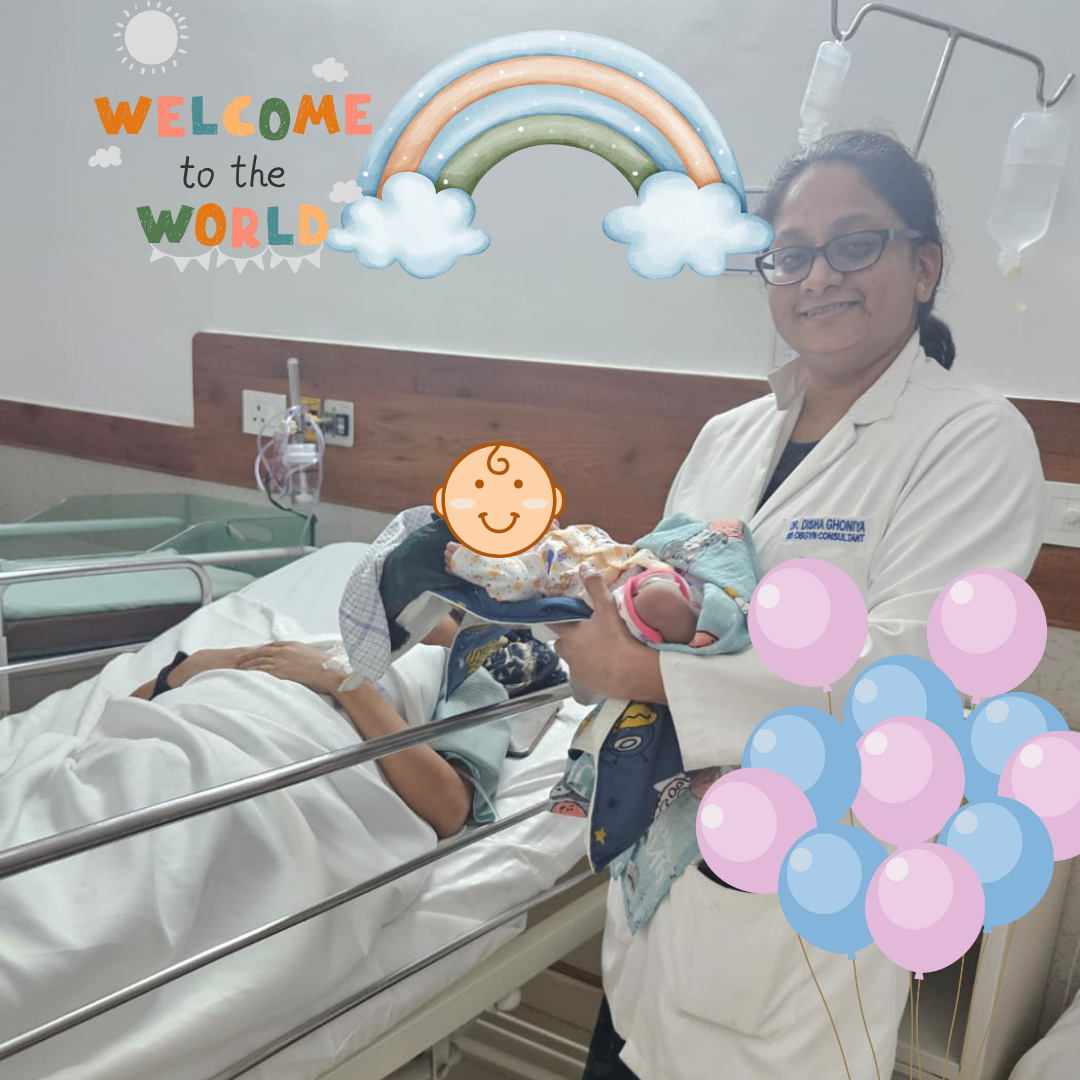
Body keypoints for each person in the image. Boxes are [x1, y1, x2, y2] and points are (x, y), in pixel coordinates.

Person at [554, 130, 1045, 1080]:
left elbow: (915, 683)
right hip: (660, 895)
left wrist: (645, 673)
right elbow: (677, 596)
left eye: (855, 244)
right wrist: (600, 613)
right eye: (791, 253)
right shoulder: (727, 436)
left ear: (925, 266)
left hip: (796, 928)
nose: (818, 275)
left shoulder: (973, 440)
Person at [128, 613, 502, 839]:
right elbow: (131, 713)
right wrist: (192, 667)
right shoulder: (314, 642)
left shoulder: (466, 676)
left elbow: (449, 808)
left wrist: (340, 680)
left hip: (254, 766)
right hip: (174, 738)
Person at [445, 516, 758, 649]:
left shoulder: (572, 532)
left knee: (676, 575)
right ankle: (692, 634)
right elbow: (511, 583)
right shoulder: (533, 563)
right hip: (616, 598)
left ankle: (710, 610)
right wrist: (467, 561)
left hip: (645, 564)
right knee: (656, 601)